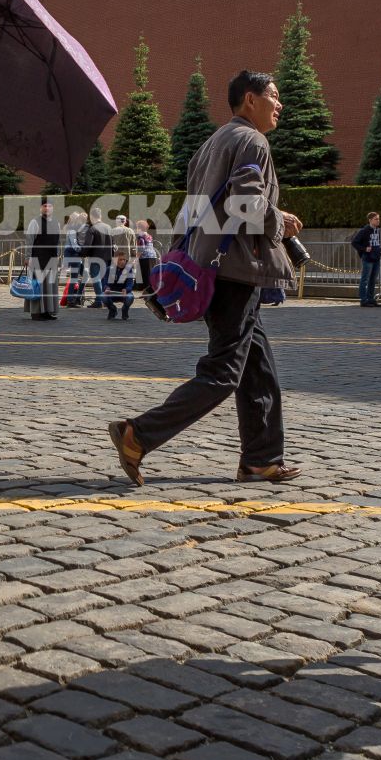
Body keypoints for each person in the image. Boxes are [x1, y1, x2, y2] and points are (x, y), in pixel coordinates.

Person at [107, 70, 302, 486]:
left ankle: (261, 458)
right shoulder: (252, 140)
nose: (279, 105)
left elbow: (193, 211)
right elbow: (248, 205)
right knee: (224, 371)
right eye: (274, 96)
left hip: (212, 267)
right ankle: (137, 434)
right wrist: (279, 221)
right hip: (236, 270)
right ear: (250, 100)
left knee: (258, 369)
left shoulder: (211, 144)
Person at [23, 197, 62, 320]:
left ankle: (47, 311)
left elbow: (58, 241)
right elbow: (29, 240)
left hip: (51, 259)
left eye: (49, 206)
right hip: (37, 259)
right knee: (37, 285)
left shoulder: (56, 222)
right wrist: (27, 257)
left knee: (50, 286)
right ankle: (36, 312)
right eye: (44, 206)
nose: (47, 208)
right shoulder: (35, 222)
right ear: (41, 208)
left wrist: (58, 256)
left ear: (53, 208)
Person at [107, 213, 138, 319]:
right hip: (127, 260)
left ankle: (113, 306)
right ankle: (126, 303)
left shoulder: (112, 231)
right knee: (128, 280)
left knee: (112, 278)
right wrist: (134, 259)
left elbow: (109, 246)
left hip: (115, 259)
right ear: (125, 221)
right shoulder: (131, 231)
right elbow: (134, 247)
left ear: (116, 221)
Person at [83, 208, 114, 313]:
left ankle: (99, 300)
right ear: (101, 216)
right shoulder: (108, 227)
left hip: (95, 256)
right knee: (103, 279)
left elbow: (87, 244)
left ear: (92, 217)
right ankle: (103, 300)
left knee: (96, 279)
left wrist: (82, 254)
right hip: (107, 257)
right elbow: (113, 243)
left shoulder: (92, 229)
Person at [350, 211, 381, 307]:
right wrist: (365, 249)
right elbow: (354, 242)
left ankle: (371, 299)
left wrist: (379, 247)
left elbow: (376, 241)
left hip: (376, 257)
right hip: (368, 258)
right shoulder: (364, 230)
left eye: (378, 219)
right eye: (376, 219)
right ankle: (363, 300)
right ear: (370, 220)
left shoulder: (378, 230)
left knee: (373, 279)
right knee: (365, 279)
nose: (378, 221)